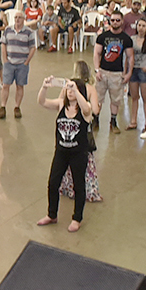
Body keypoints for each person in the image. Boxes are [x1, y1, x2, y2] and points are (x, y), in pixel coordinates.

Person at [36, 69, 97, 233]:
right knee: (53, 182)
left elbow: (87, 108)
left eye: (74, 90)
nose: (70, 93)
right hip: (61, 151)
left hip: (78, 153)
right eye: (68, 89)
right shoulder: (61, 104)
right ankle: (52, 214)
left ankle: (77, 218)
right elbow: (41, 102)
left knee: (79, 186)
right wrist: (45, 87)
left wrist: (76, 90)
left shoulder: (85, 109)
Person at [93, 10, 134, 134]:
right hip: (103, 72)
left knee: (116, 100)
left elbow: (130, 56)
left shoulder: (126, 39)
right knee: (97, 98)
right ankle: (95, 120)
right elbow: (96, 53)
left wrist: (128, 73)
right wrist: (97, 70)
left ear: (122, 21)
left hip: (117, 74)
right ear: (109, 21)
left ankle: (113, 122)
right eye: (113, 20)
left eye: (117, 20)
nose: (115, 22)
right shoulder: (102, 37)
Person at [0, 10, 37, 120]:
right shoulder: (7, 30)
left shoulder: (29, 32)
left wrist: (26, 62)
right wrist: (5, 59)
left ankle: (17, 107)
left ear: (24, 19)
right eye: (16, 17)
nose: (17, 19)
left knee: (19, 86)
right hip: (9, 63)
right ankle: (3, 106)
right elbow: (3, 44)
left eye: (20, 17)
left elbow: (32, 48)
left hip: (22, 64)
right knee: (5, 85)